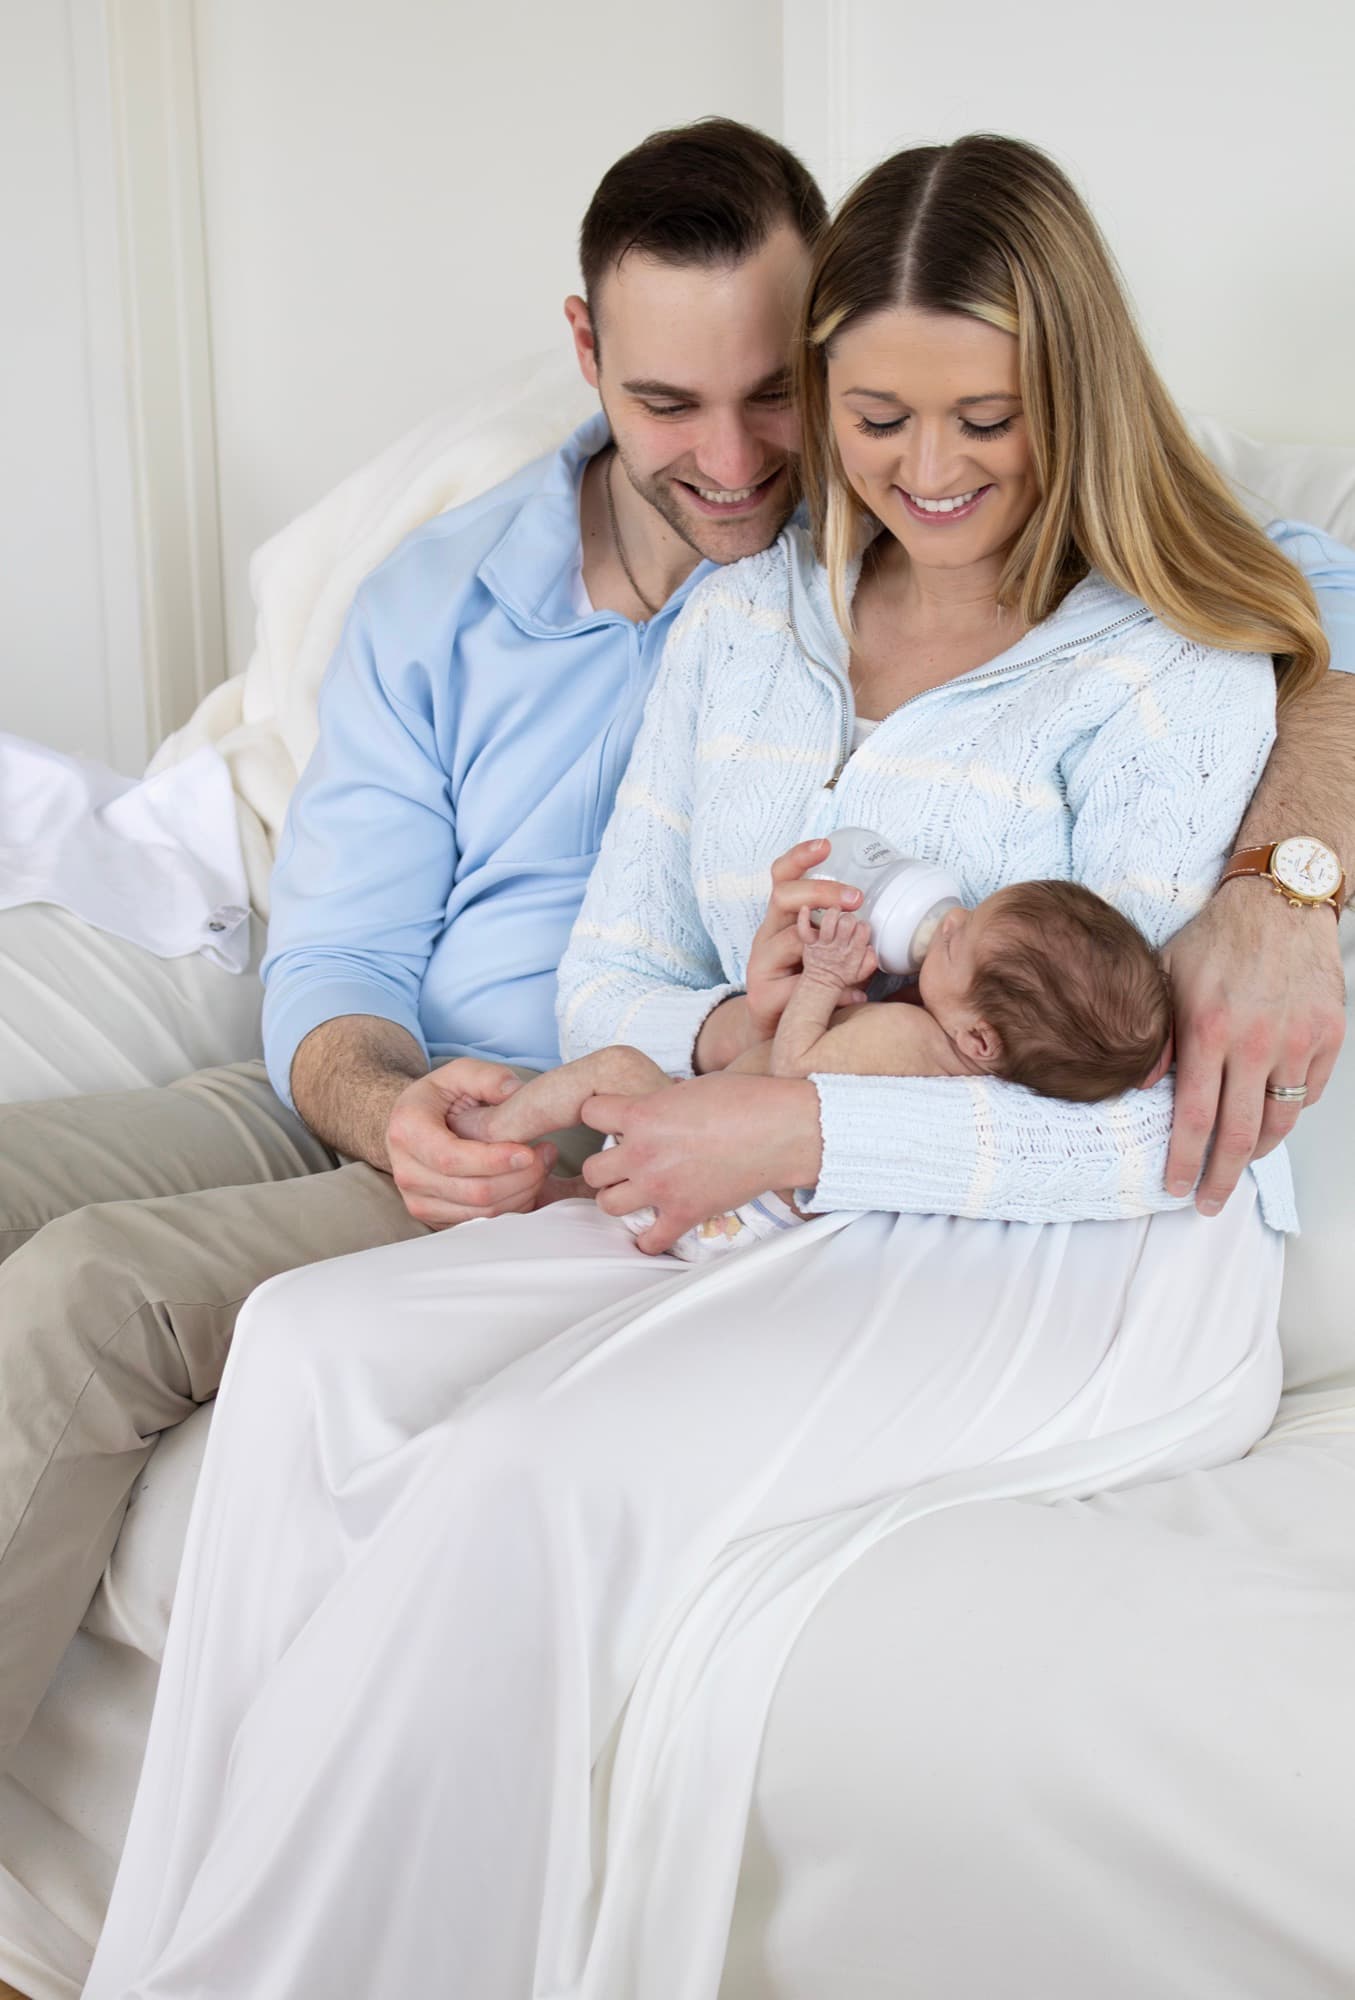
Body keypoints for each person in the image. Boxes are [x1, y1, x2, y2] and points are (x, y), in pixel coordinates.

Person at [81, 134, 1349, 2000]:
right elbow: (614, 964)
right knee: (304, 1348)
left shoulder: (1163, 664)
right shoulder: (748, 623)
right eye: (878, 418)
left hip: (1087, 1259)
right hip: (765, 1160)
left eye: (988, 419)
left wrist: (797, 1107)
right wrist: (731, 1026)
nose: (929, 476)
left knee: (526, 1476)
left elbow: (1161, 1136)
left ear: (1070, 389)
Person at [0, 117, 827, 1768]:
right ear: (586, 349)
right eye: (668, 403)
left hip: (598, 1126)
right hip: (373, 1089)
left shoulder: (887, 563)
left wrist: (1290, 878)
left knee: (85, 1296)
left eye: (774, 392)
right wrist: (380, 1104)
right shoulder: (443, 592)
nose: (732, 460)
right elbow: (340, 948)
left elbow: (1299, 593)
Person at [453, 878, 1174, 1258]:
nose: (948, 921)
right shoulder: (951, 1071)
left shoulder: (901, 1031)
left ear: (980, 1040)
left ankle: (489, 1132)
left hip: (715, 1196)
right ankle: (557, 1195)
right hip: (729, 1208)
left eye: (958, 942)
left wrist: (822, 979)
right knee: (602, 1170)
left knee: (613, 1064)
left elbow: (793, 1074)